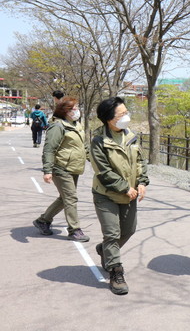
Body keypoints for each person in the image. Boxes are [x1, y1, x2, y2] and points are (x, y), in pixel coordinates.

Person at [90, 97, 149, 295]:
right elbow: (103, 171)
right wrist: (124, 187)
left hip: (129, 194)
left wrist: (141, 182)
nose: (127, 116)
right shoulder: (99, 141)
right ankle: (116, 271)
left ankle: (105, 249)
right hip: (106, 194)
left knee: (129, 230)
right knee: (112, 234)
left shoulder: (131, 135)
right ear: (109, 119)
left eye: (126, 112)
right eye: (122, 114)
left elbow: (140, 161)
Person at [32, 97, 89, 242]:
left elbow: (83, 146)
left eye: (77, 107)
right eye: (74, 108)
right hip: (61, 167)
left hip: (74, 167)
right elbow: (49, 149)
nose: (77, 110)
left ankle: (43, 221)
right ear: (66, 111)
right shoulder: (57, 126)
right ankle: (74, 230)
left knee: (65, 198)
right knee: (71, 198)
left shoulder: (76, 125)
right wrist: (47, 170)